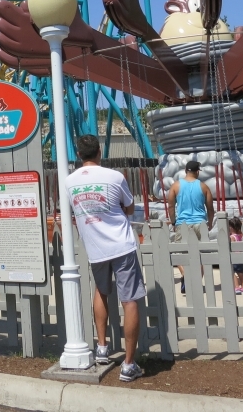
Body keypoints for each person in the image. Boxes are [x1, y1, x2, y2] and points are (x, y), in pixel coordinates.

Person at [64, 135, 145, 382]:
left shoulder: (69, 181)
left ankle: (101, 347)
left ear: (79, 154)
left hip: (95, 247)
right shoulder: (114, 177)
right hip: (121, 245)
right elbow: (129, 208)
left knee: (101, 291)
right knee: (129, 300)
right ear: (99, 152)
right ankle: (128, 365)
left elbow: (71, 211)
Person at [166, 160, 214, 293]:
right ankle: (196, 283)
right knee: (201, 255)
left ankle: (185, 275)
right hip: (200, 223)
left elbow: (170, 206)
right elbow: (210, 208)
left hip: (183, 223)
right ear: (198, 171)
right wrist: (210, 223)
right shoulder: (204, 187)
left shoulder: (175, 186)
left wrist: (174, 222)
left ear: (185, 171)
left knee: (178, 253)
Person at [228, 216, 243, 295]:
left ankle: (236, 287)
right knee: (240, 273)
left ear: (231, 227)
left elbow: (231, 247)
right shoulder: (240, 236)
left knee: (232, 272)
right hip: (240, 257)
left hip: (234, 257)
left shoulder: (232, 237)